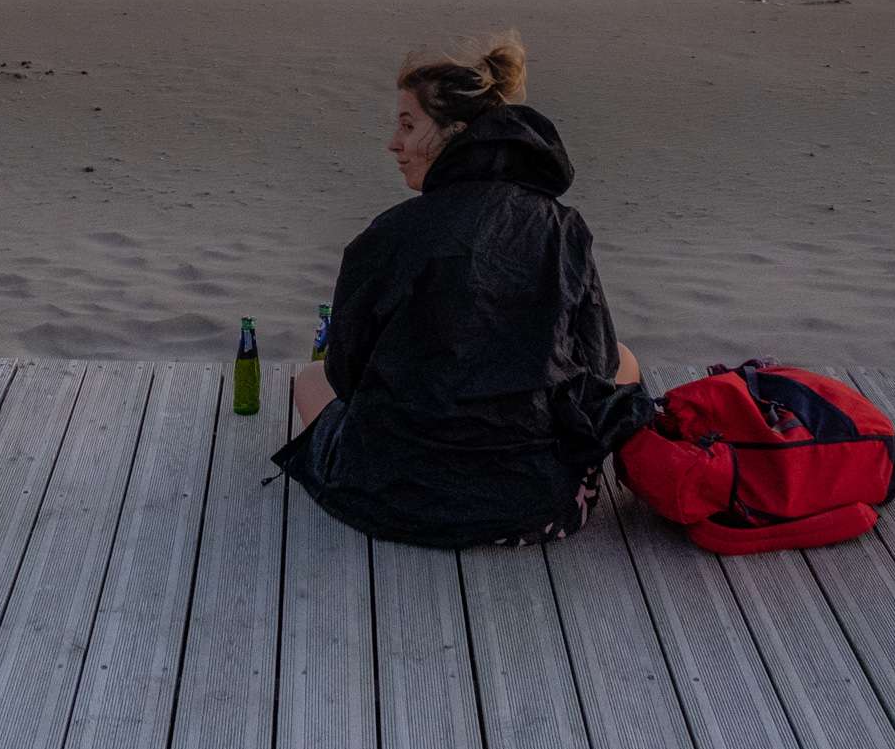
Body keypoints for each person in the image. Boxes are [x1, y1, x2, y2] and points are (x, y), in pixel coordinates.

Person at [268, 31, 653, 549]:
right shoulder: (560, 225)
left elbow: (346, 373)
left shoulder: (390, 234)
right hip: (536, 500)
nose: (394, 144)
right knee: (625, 360)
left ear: (455, 132)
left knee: (311, 381)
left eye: (408, 125)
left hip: (400, 501)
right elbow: (599, 359)